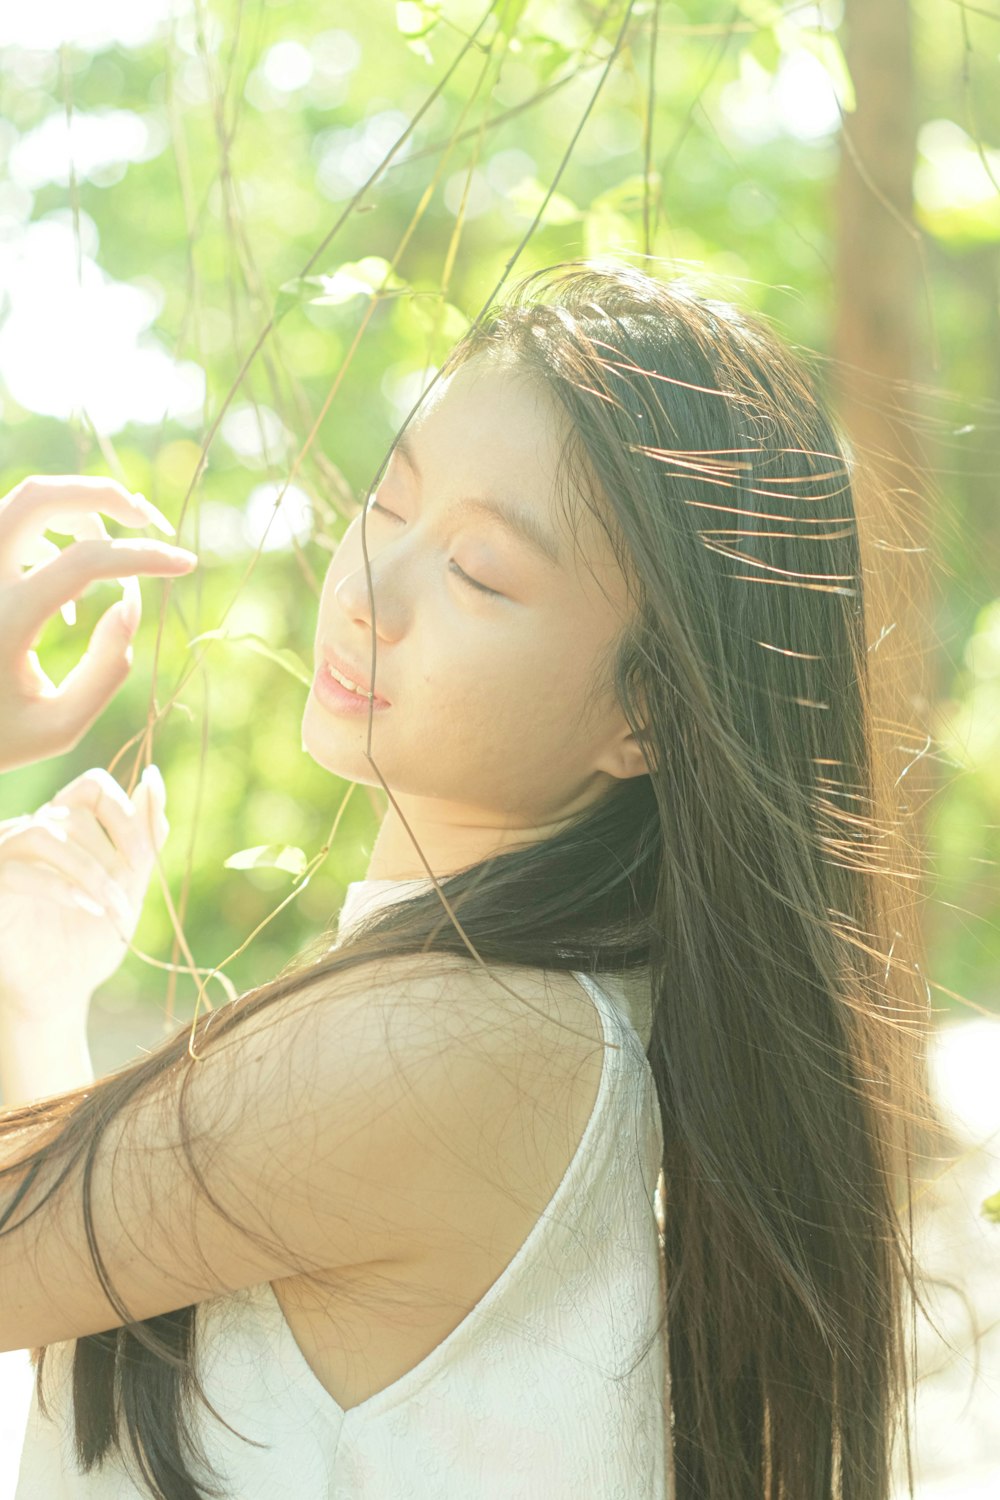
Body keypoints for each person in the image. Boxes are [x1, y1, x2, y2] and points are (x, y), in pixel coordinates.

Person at [0, 262, 924, 1500]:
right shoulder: (512, 1012)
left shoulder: (459, 1041)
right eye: (387, 503)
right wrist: (33, 1000)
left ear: (646, 713)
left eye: (481, 573)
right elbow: (89, 1280)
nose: (368, 592)